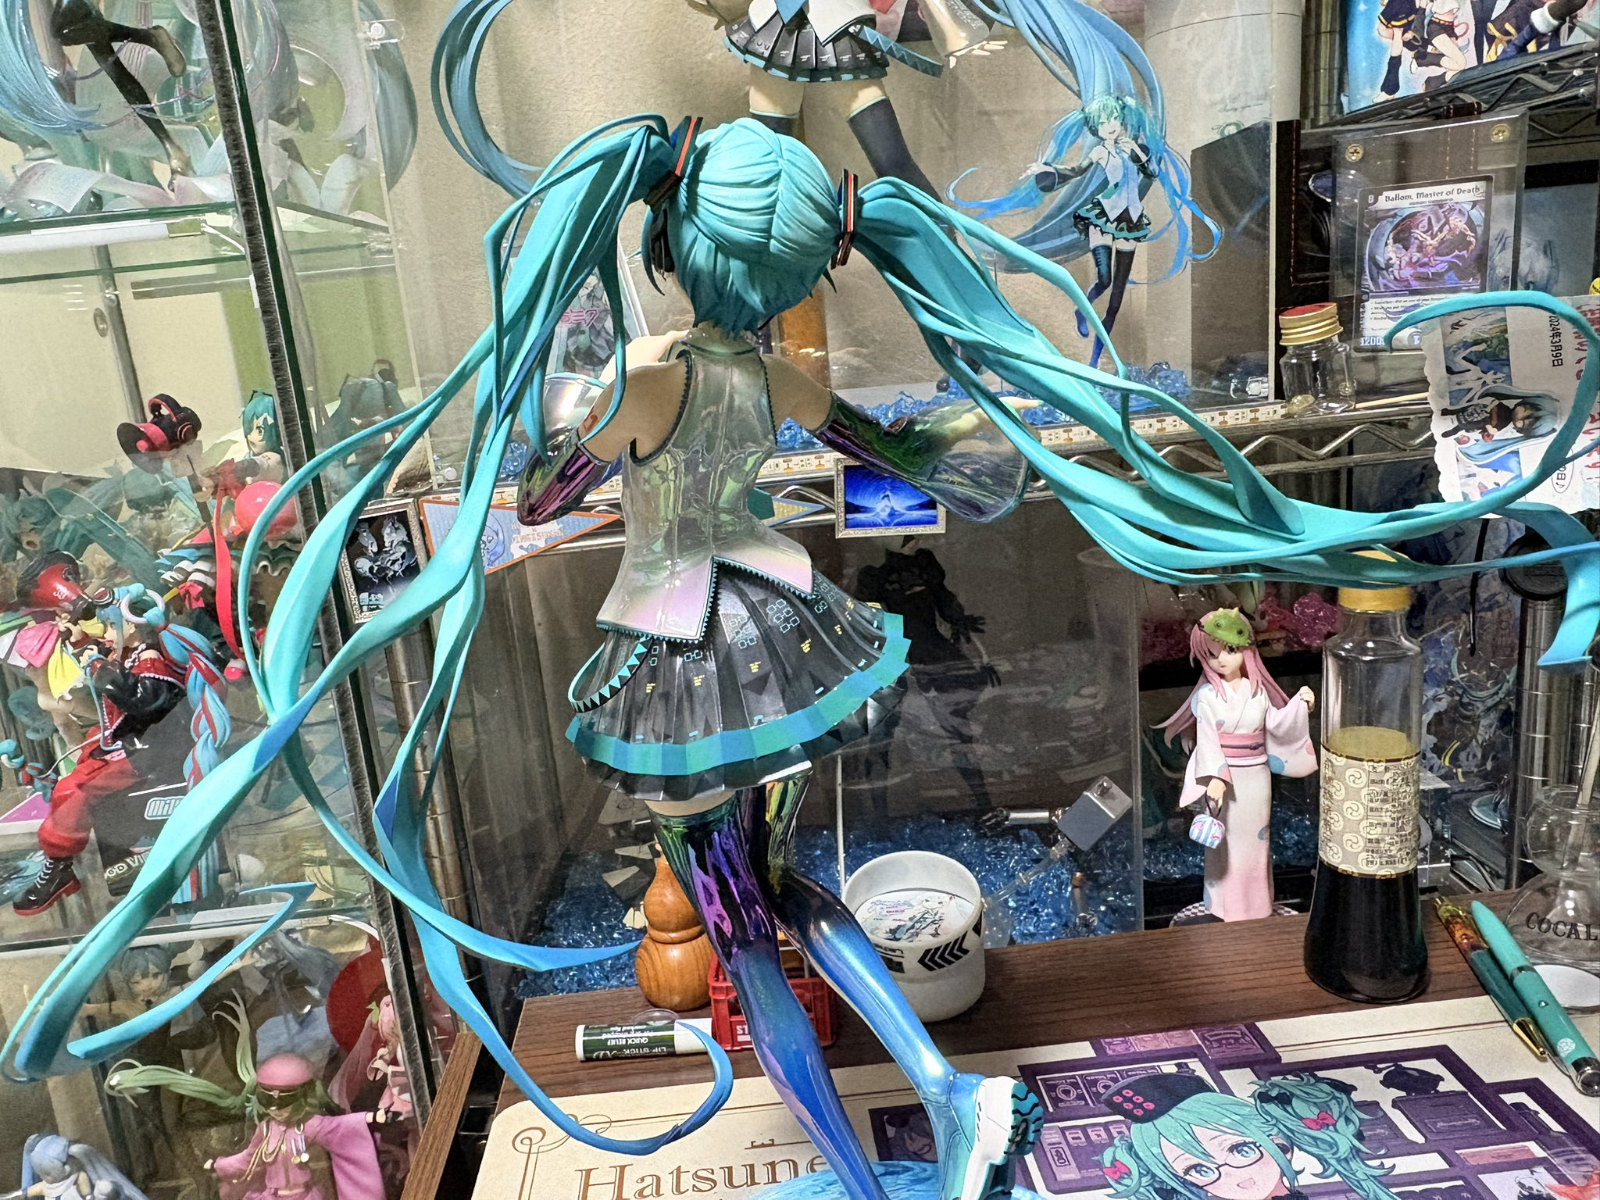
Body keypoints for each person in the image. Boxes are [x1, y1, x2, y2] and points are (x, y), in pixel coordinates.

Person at [1156, 609, 1316, 923]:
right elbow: (1207, 739)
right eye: (1211, 654)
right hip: (1225, 777)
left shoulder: (1257, 691)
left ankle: (1257, 905)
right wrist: (1215, 777)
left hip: (1257, 776)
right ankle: (1223, 904)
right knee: (1225, 843)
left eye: (1229, 649)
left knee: (1258, 841)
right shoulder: (1207, 696)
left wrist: (1299, 705)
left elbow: (1276, 724)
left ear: (1246, 649)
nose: (1221, 660)